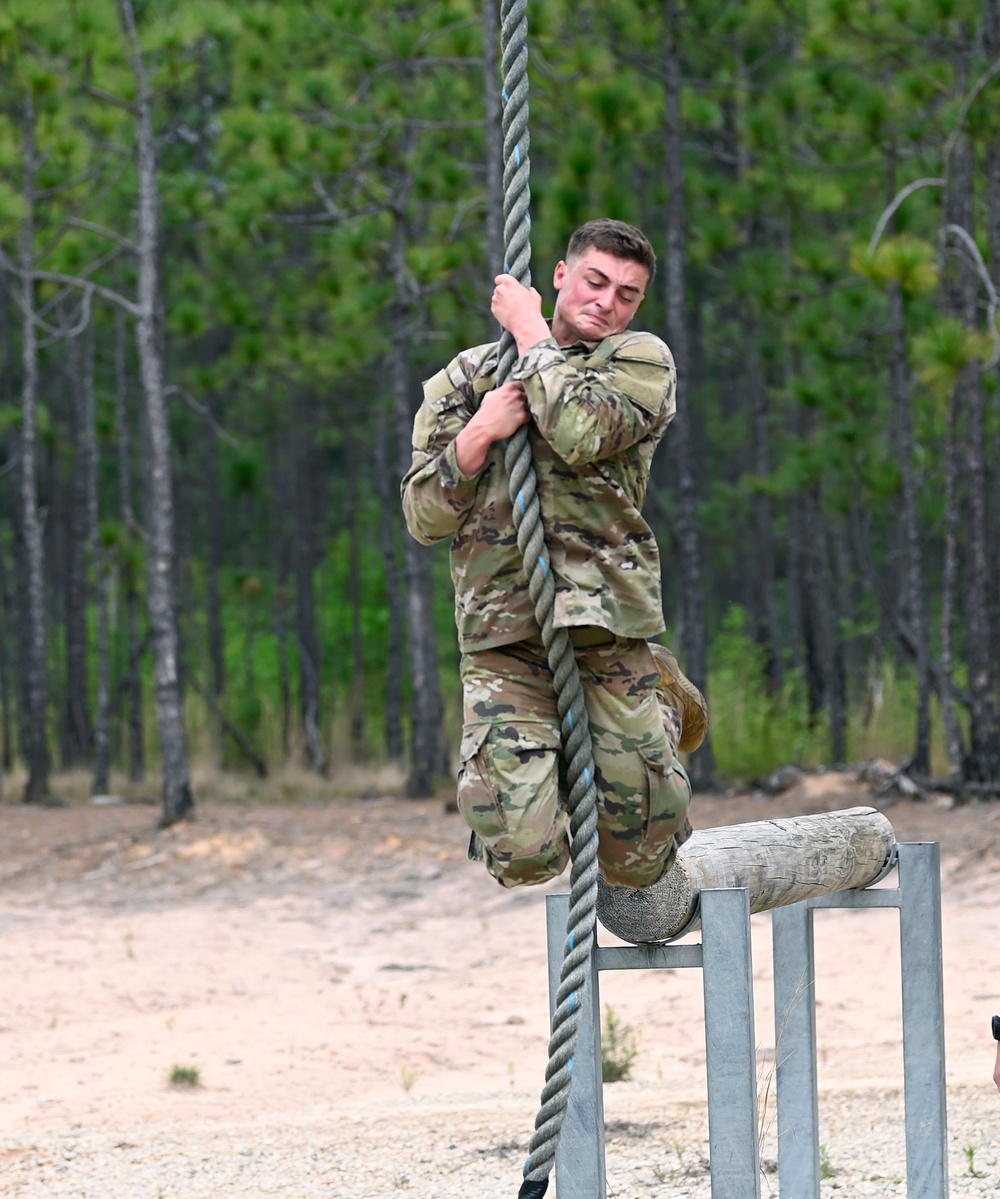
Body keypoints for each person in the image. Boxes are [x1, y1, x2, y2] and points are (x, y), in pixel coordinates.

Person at [401, 218, 706, 889]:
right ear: (563, 274)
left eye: (627, 294)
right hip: (504, 636)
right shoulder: (467, 378)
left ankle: (654, 703)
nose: (608, 301)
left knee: (638, 865)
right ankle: (553, 760)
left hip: (605, 627)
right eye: (595, 281)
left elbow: (579, 427)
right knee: (524, 855)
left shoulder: (638, 363)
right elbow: (423, 514)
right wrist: (481, 431)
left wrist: (531, 329)